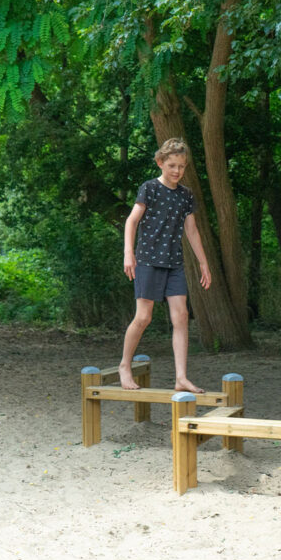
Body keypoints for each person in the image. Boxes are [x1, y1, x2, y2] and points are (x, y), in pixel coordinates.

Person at [119, 138, 212, 393]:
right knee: (143, 317)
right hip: (148, 260)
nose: (177, 171)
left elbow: (192, 231)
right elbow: (131, 221)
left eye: (181, 166)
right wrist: (129, 253)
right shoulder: (149, 188)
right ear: (160, 163)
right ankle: (125, 365)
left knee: (181, 317)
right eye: (172, 165)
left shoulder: (186, 195)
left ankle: (181, 377)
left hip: (174, 263)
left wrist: (203, 263)